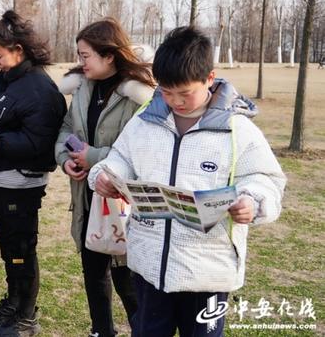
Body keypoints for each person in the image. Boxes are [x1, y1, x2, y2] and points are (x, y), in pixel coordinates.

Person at [90, 26, 287, 337]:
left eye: (185, 93)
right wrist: (102, 176)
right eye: (167, 92)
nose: (175, 101)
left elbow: (267, 180)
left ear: (210, 78)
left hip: (207, 271)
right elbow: (119, 159)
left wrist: (253, 200)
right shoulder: (144, 120)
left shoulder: (237, 130)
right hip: (149, 266)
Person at [0, 10, 67, 337]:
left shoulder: (41, 88)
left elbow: (40, 141)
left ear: (19, 50)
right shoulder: (4, 78)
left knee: (22, 248)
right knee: (8, 246)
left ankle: (27, 316)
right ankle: (13, 302)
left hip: (21, 181)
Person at [55, 18, 154, 337]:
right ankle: (101, 331)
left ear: (109, 56)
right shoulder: (82, 88)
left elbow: (139, 150)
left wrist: (93, 156)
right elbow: (66, 129)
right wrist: (64, 159)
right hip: (86, 197)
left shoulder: (137, 97)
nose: (80, 62)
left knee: (128, 280)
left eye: (85, 56)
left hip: (122, 202)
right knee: (93, 272)